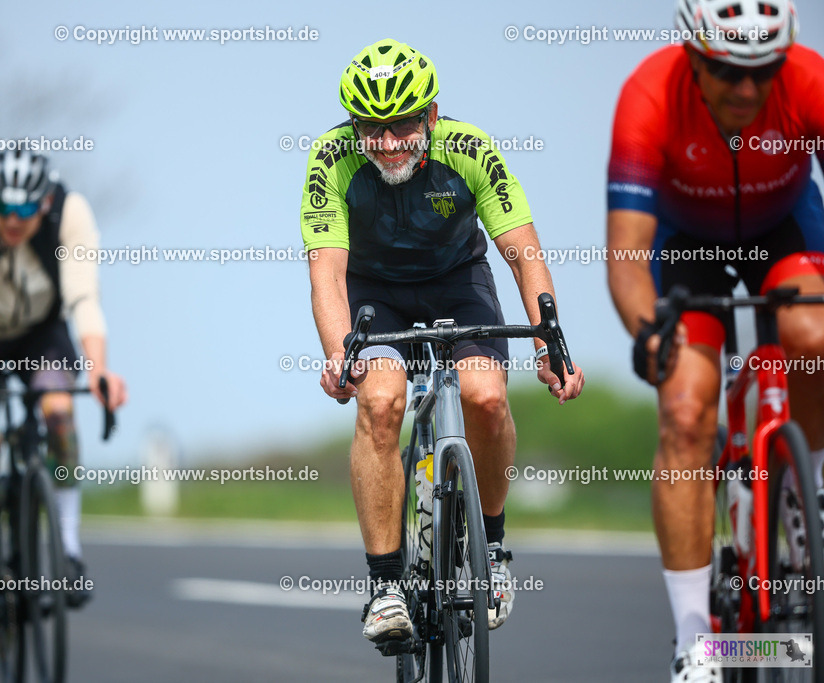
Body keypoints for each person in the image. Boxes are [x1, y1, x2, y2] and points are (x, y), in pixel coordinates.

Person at [301, 39, 585, 647]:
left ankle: (494, 547)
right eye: (372, 129)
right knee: (379, 402)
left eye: (402, 125)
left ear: (431, 115)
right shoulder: (330, 159)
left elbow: (522, 252)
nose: (388, 142)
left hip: (459, 284)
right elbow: (326, 272)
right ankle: (385, 587)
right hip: (374, 293)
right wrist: (336, 353)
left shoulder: (471, 149)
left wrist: (550, 343)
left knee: (485, 395)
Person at [606, 0, 824, 679]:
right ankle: (696, 640)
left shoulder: (812, 81)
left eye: (765, 71)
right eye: (729, 71)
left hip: (782, 226)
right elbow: (627, 255)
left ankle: (804, 491)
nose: (748, 90)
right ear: (695, 57)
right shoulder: (648, 95)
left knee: (811, 335)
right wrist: (648, 336)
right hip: (684, 243)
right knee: (684, 409)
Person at [0, 149, 128, 637]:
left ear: (44, 203)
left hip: (41, 334)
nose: (13, 222)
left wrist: (98, 368)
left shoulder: (69, 212)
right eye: (2, 209)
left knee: (60, 414)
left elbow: (83, 296)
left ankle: (68, 549)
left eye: (25, 211)